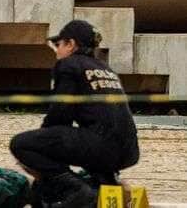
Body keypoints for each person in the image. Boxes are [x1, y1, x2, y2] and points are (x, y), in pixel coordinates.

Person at [10, 19, 140, 208]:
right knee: (86, 138)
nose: (57, 50)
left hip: (102, 147)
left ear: (71, 44)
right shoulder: (105, 69)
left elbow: (61, 112)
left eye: (58, 44)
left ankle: (76, 189)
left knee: (21, 144)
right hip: (128, 151)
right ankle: (107, 185)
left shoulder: (69, 65)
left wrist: (41, 143)